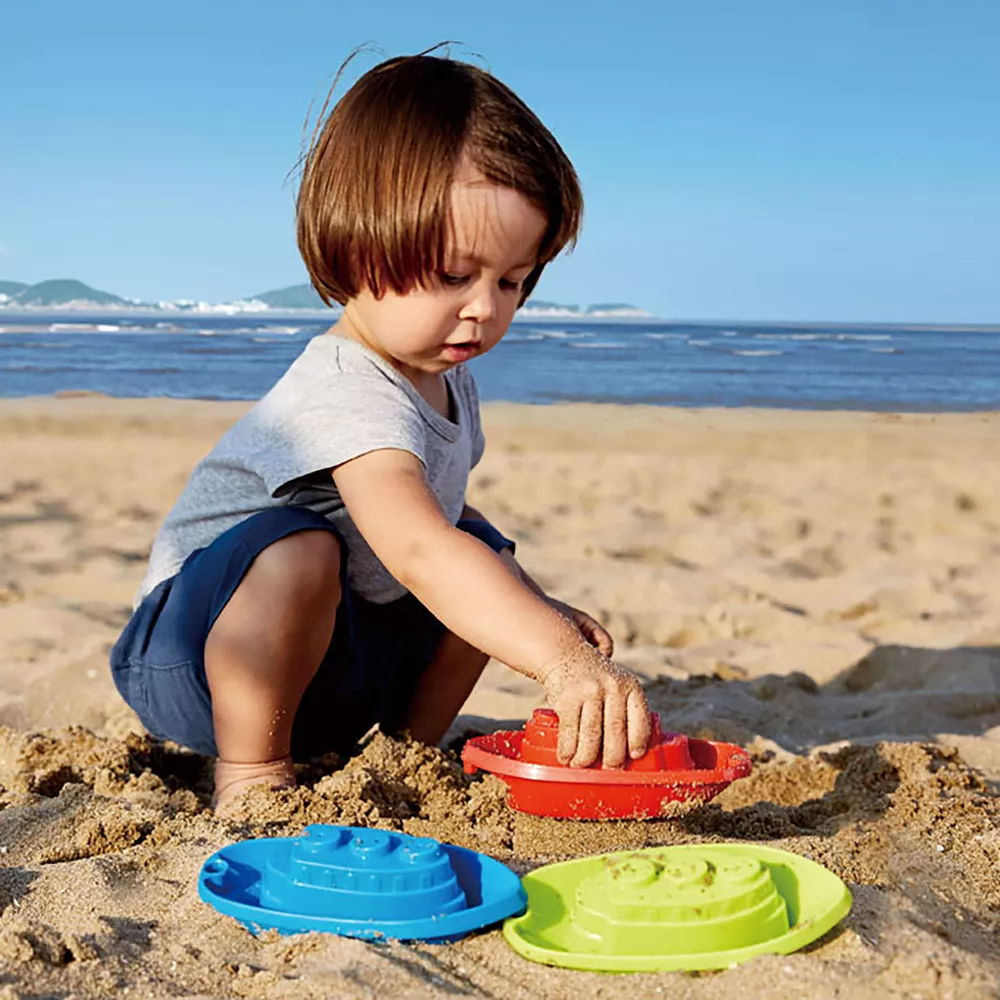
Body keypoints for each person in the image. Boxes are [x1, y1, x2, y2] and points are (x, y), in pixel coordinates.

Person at [110, 52, 651, 811]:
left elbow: (442, 528)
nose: (485, 310)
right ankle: (253, 775)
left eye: (512, 280)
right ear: (361, 250)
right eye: (456, 275)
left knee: (487, 556)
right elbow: (417, 550)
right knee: (304, 547)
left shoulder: (448, 374)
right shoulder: (345, 386)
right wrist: (560, 661)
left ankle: (405, 755)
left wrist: (535, 612)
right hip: (198, 664)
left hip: (332, 663)